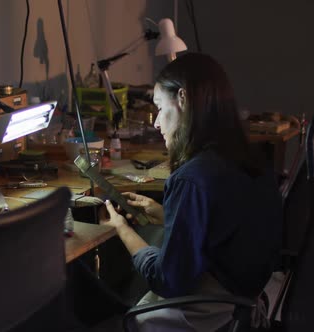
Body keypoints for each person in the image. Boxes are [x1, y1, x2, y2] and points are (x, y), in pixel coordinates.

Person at [101, 53, 282, 332]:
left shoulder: (192, 179)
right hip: (242, 304)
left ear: (183, 99)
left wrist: (122, 229)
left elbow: (170, 280)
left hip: (210, 313)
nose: (157, 122)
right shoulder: (251, 160)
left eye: (160, 107)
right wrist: (166, 213)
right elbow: (225, 228)